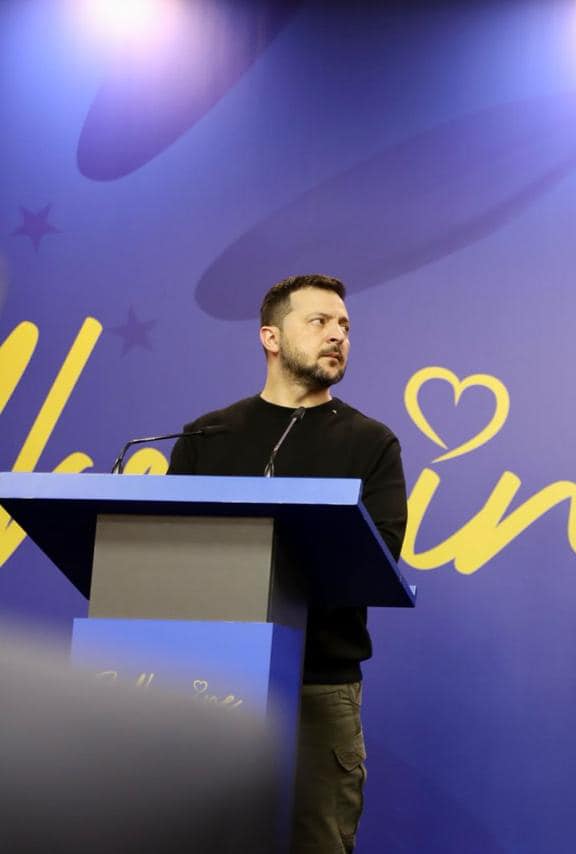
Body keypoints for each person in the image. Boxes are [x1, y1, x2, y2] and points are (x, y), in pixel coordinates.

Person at [169, 273, 408, 854]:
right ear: (270, 338)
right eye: (319, 322)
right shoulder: (207, 435)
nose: (338, 335)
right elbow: (170, 552)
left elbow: (377, 554)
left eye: (344, 325)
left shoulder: (371, 442)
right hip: (204, 679)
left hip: (317, 685)